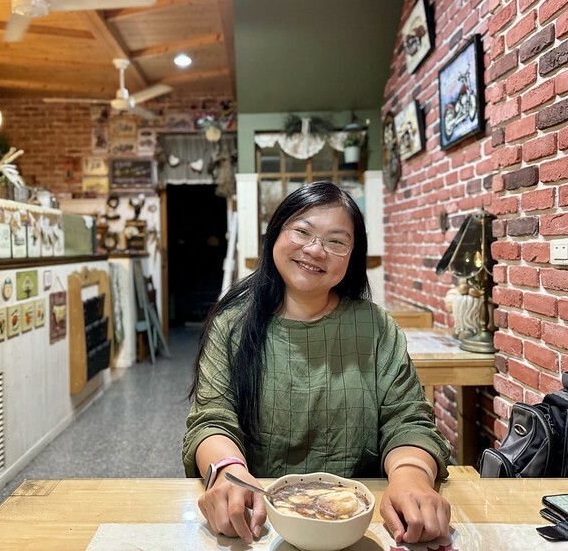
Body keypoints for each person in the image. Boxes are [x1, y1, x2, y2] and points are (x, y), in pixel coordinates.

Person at [182, 181, 450, 545]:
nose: (314, 250)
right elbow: (212, 418)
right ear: (275, 234)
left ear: (352, 256)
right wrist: (229, 476)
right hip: (256, 522)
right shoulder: (231, 325)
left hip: (364, 525)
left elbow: (408, 420)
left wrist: (411, 477)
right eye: (302, 231)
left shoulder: (374, 326)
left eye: (336, 241)